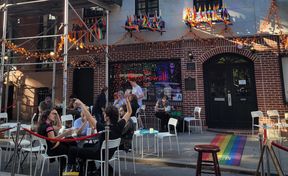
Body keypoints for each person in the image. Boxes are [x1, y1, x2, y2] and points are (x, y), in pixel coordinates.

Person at [67, 97, 132, 175]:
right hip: (109, 154)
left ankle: (71, 172)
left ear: (107, 117)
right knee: (85, 145)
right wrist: (127, 102)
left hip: (99, 154)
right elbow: (129, 112)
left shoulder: (103, 128)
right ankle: (89, 170)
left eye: (104, 114)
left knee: (72, 150)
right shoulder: (120, 125)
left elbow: (89, 116)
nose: (103, 115)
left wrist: (81, 104)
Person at [37, 109, 75, 175]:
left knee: (71, 140)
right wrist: (65, 133)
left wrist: (57, 114)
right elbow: (53, 140)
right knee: (72, 150)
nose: (54, 115)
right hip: (54, 150)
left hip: (49, 149)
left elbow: (59, 126)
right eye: (53, 114)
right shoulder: (48, 127)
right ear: (48, 116)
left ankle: (64, 170)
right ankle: (70, 171)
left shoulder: (43, 125)